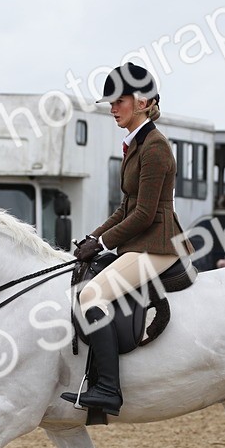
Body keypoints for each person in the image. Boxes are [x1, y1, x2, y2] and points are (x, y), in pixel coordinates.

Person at [60, 63, 183, 416]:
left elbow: (144, 214)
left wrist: (103, 244)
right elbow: (124, 208)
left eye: (120, 101)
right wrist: (93, 237)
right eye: (110, 102)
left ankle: (108, 390)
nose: (112, 108)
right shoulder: (137, 143)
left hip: (157, 245)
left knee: (92, 295)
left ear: (143, 102)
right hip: (141, 242)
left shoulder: (155, 147)